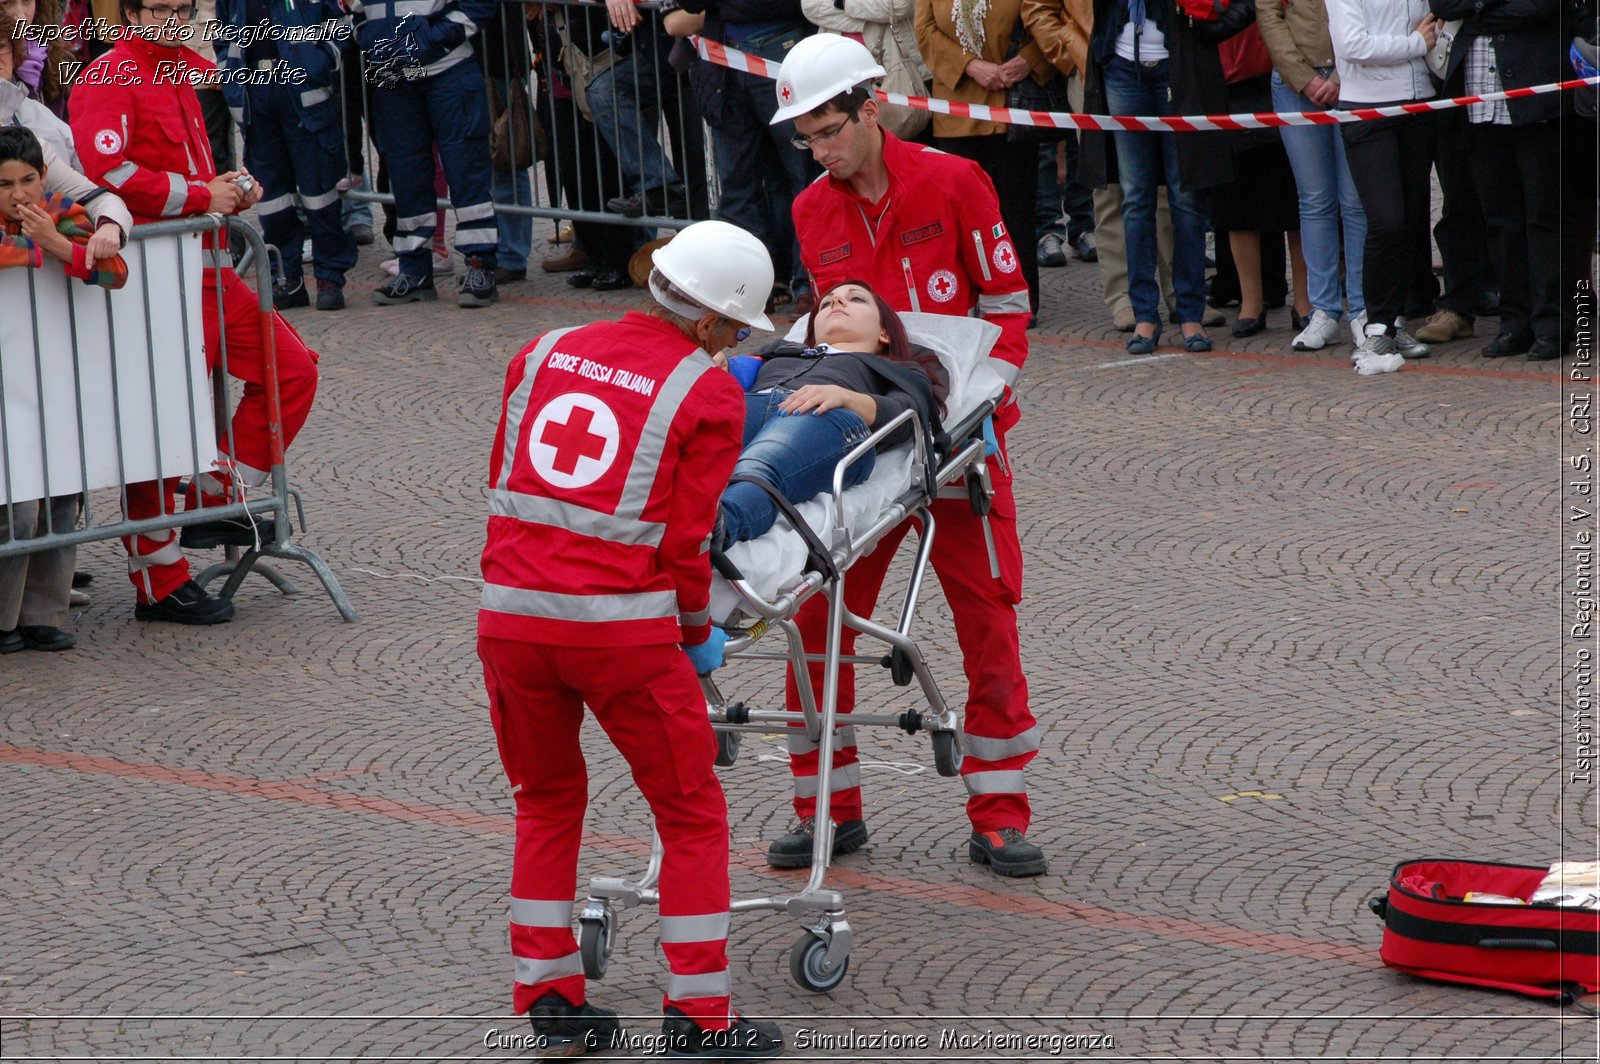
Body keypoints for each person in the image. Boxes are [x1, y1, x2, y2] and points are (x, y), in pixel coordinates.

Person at [477, 220, 784, 1060]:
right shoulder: (709, 392)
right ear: (716, 323)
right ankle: (699, 1014)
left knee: (543, 800)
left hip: (508, 619)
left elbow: (509, 480)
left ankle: (547, 992)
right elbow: (686, 544)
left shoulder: (542, 351)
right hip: (620, 635)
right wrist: (696, 636)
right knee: (689, 812)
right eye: (735, 332)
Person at [770, 33, 1047, 878]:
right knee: (814, 617)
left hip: (960, 446)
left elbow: (1005, 309)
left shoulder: (957, 181)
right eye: (805, 139)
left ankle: (999, 812)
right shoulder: (812, 209)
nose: (818, 154)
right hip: (865, 447)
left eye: (827, 132)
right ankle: (827, 808)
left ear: (871, 103)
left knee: (987, 620)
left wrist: (973, 405)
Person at [71, 0, 322, 624]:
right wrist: (200, 195)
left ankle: (215, 495)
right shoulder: (109, 72)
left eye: (183, 7)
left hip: (209, 267)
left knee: (294, 370)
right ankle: (159, 583)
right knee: (160, 430)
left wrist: (232, 188)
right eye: (158, 7)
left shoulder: (185, 66)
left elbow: (187, 168)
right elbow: (108, 170)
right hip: (157, 276)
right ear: (128, 13)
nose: (173, 18)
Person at [0, 126, 128, 654]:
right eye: (5, 184)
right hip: (8, 384)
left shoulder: (63, 213)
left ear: (44, 176)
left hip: (52, 378)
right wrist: (42, 247)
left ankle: (44, 613)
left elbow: (113, 273)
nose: (20, 195)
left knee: (58, 496)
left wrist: (57, 243)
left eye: (28, 180)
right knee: (15, 505)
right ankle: (3, 619)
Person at [717, 280, 949, 546]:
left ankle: (716, 529)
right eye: (826, 303)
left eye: (856, 299)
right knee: (687, 449)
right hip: (753, 403)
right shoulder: (779, 354)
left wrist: (846, 397)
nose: (836, 302)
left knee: (759, 466)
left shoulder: (898, 368)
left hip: (824, 418)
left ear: (884, 333)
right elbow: (732, 374)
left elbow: (908, 417)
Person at [1429, 0, 1569, 361]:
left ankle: (1551, 324)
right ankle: (1514, 322)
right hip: (1478, 101)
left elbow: (1540, 8)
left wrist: (1475, 11)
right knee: (1500, 221)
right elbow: (1443, 4)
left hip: (1534, 94)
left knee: (1543, 217)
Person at [217, 0, 358, 311]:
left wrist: (318, 63)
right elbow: (224, 37)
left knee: (319, 193)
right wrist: (231, 79)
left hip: (302, 93)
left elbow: (342, 27)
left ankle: (329, 277)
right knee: (272, 197)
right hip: (257, 95)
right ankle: (287, 277)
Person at [357, 0, 499, 307]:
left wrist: (429, 41)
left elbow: (480, 6)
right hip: (394, 78)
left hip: (449, 71)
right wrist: (369, 40)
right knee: (406, 178)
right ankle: (414, 270)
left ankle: (480, 266)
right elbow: (349, 11)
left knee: (466, 173)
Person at [1325, 0, 1441, 366]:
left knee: (1408, 221)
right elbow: (1352, 45)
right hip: (1367, 109)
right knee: (1386, 220)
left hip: (1419, 104)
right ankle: (1375, 327)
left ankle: (1392, 322)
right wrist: (1414, 45)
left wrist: (1426, 42)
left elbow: (1432, 26)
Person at [914, 0, 1045, 316]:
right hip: (956, 108)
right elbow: (924, 30)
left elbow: (1051, 19)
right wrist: (970, 65)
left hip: (1011, 105)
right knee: (959, 218)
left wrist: (1030, 60)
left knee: (1016, 213)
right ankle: (964, 299)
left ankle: (1020, 300)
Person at [1258, 0, 1369, 350]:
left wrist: (1340, 75)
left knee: (1355, 200)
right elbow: (1268, 12)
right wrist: (1303, 78)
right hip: (1294, 85)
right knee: (1314, 199)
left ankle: (1363, 308)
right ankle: (1323, 309)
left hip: (1355, 74)